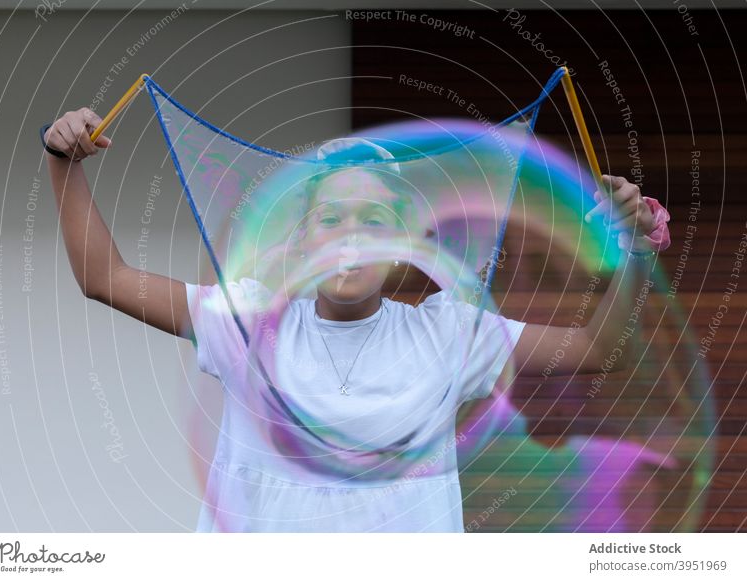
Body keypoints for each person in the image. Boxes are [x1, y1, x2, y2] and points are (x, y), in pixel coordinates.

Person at [43, 107, 670, 532]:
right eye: (331, 218)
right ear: (300, 239)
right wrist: (62, 162)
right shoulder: (245, 322)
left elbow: (592, 346)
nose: (351, 237)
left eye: (375, 222)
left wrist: (633, 250)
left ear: (402, 248)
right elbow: (106, 279)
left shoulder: (447, 332)